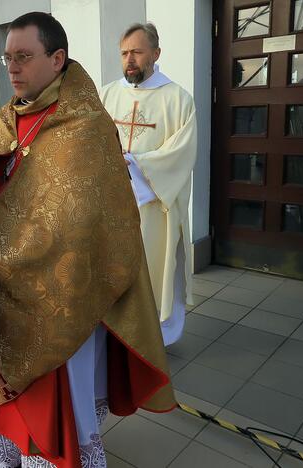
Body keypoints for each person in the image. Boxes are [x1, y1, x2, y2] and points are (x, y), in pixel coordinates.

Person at [0, 13, 175, 468]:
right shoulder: (7, 117)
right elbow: (1, 179)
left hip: (59, 296)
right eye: (7, 58)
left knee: (55, 415)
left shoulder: (86, 125)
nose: (12, 68)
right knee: (6, 412)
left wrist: (2, 236)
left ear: (57, 59)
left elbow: (77, 218)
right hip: (4, 294)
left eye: (23, 57)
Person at [100, 23, 197, 346]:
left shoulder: (178, 99)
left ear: (155, 54)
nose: (129, 60)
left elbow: (182, 153)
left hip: (154, 206)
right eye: (125, 53)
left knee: (154, 274)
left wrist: (137, 166)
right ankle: (114, 333)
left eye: (137, 52)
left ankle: (155, 340)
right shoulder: (108, 94)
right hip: (111, 204)